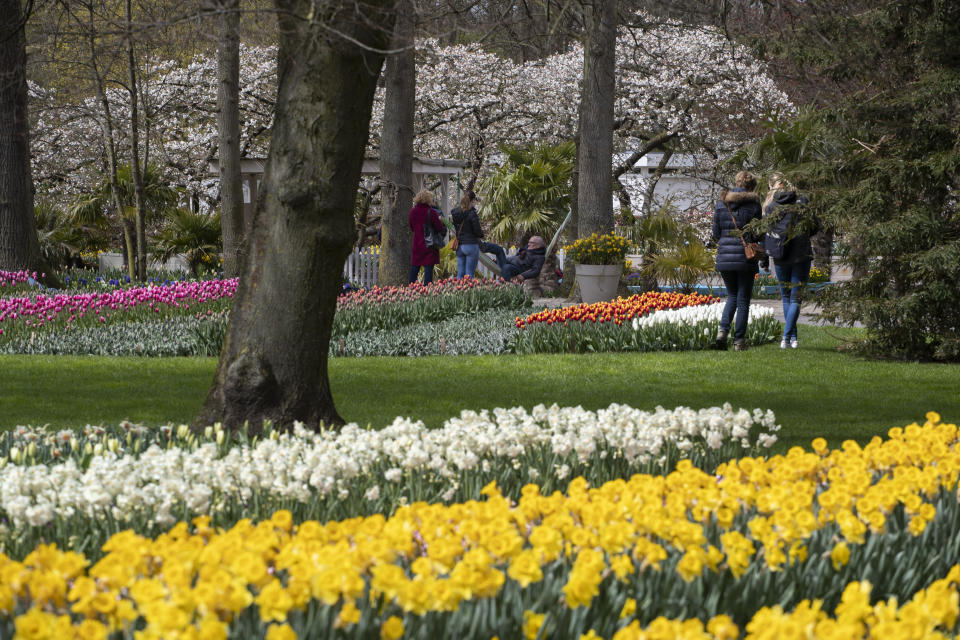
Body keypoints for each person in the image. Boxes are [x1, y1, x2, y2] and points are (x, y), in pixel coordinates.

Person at [762, 173, 819, 349]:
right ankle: (789, 337)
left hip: (780, 255)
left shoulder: (771, 206)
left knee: (786, 297)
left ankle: (790, 338)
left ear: (774, 187)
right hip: (801, 253)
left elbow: (767, 233)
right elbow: (814, 226)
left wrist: (765, 257)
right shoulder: (803, 202)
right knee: (795, 299)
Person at [712, 170, 763, 351]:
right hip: (745, 257)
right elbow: (758, 233)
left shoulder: (722, 203)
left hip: (725, 257)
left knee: (732, 296)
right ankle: (739, 341)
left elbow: (715, 234)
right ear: (751, 186)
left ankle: (722, 333)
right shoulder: (754, 206)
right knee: (743, 301)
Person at [409, 189, 445, 284]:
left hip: (417, 244)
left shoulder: (413, 211)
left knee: (414, 269)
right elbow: (439, 227)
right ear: (428, 199)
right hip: (429, 244)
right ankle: (427, 290)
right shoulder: (431, 212)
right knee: (428, 269)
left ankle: (410, 289)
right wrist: (439, 220)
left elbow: (412, 227)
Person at [480, 236, 546, 283]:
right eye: (529, 242)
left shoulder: (539, 256)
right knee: (499, 249)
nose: (528, 244)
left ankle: (503, 285)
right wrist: (497, 261)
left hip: (517, 270)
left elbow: (536, 270)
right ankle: (480, 246)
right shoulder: (525, 250)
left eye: (531, 242)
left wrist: (523, 275)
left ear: (538, 246)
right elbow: (513, 258)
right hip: (508, 264)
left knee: (507, 267)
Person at [450, 191, 484, 278]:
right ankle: (468, 291)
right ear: (471, 201)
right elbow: (477, 230)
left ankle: (458, 291)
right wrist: (481, 234)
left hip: (460, 246)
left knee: (460, 273)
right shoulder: (472, 214)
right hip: (471, 245)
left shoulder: (455, 214)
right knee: (469, 274)